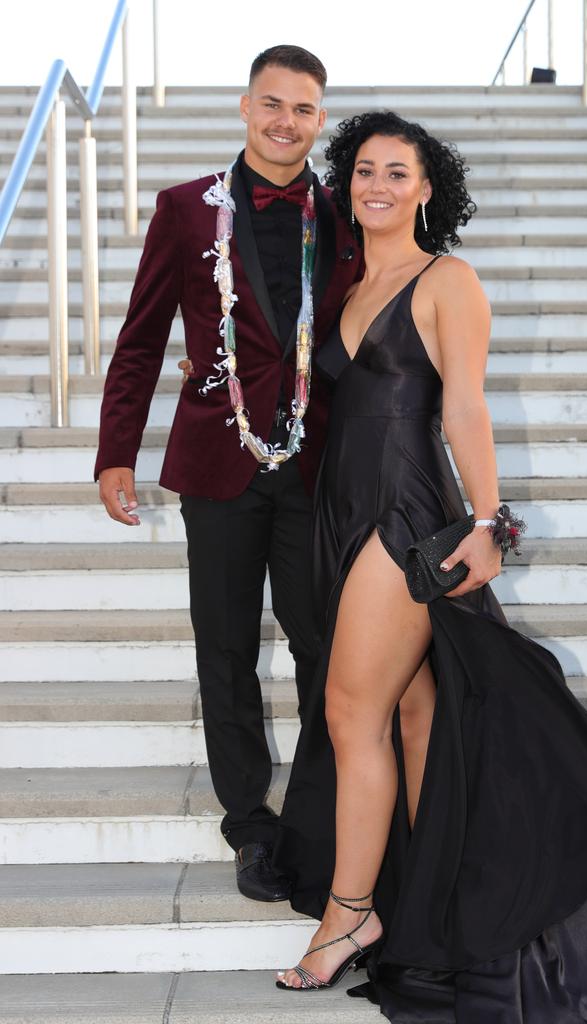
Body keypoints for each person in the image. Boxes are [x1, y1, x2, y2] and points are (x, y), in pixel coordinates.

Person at [270, 111, 587, 1023]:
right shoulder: (344, 281)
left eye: (398, 172)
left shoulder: (445, 278)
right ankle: (445, 912)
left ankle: (350, 919)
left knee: (351, 715)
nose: (377, 184)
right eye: (364, 170)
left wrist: (492, 520)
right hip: (339, 518)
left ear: (427, 189)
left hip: (403, 517)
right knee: (418, 722)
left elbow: (464, 409)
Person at [94, 45, 361, 903]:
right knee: (226, 649)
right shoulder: (182, 209)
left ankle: (322, 818)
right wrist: (115, 452)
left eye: (305, 109)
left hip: (323, 464)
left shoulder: (350, 210)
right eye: (273, 104)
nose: (288, 122)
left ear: (321, 119)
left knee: (326, 647)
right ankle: (249, 824)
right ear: (246, 108)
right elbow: (140, 340)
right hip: (217, 461)